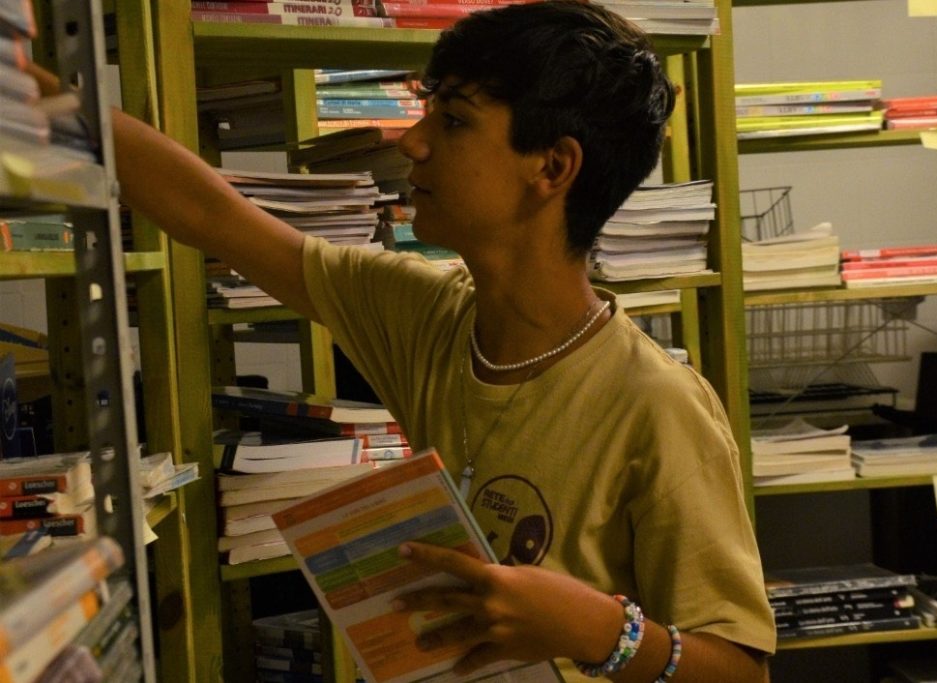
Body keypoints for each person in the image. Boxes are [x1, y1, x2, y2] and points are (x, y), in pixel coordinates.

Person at [98, 0, 775, 679]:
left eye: (452, 120)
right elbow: (212, 214)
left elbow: (742, 671)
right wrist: (67, 113)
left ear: (552, 168)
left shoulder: (658, 404)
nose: (412, 142)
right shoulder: (428, 316)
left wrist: (600, 631)